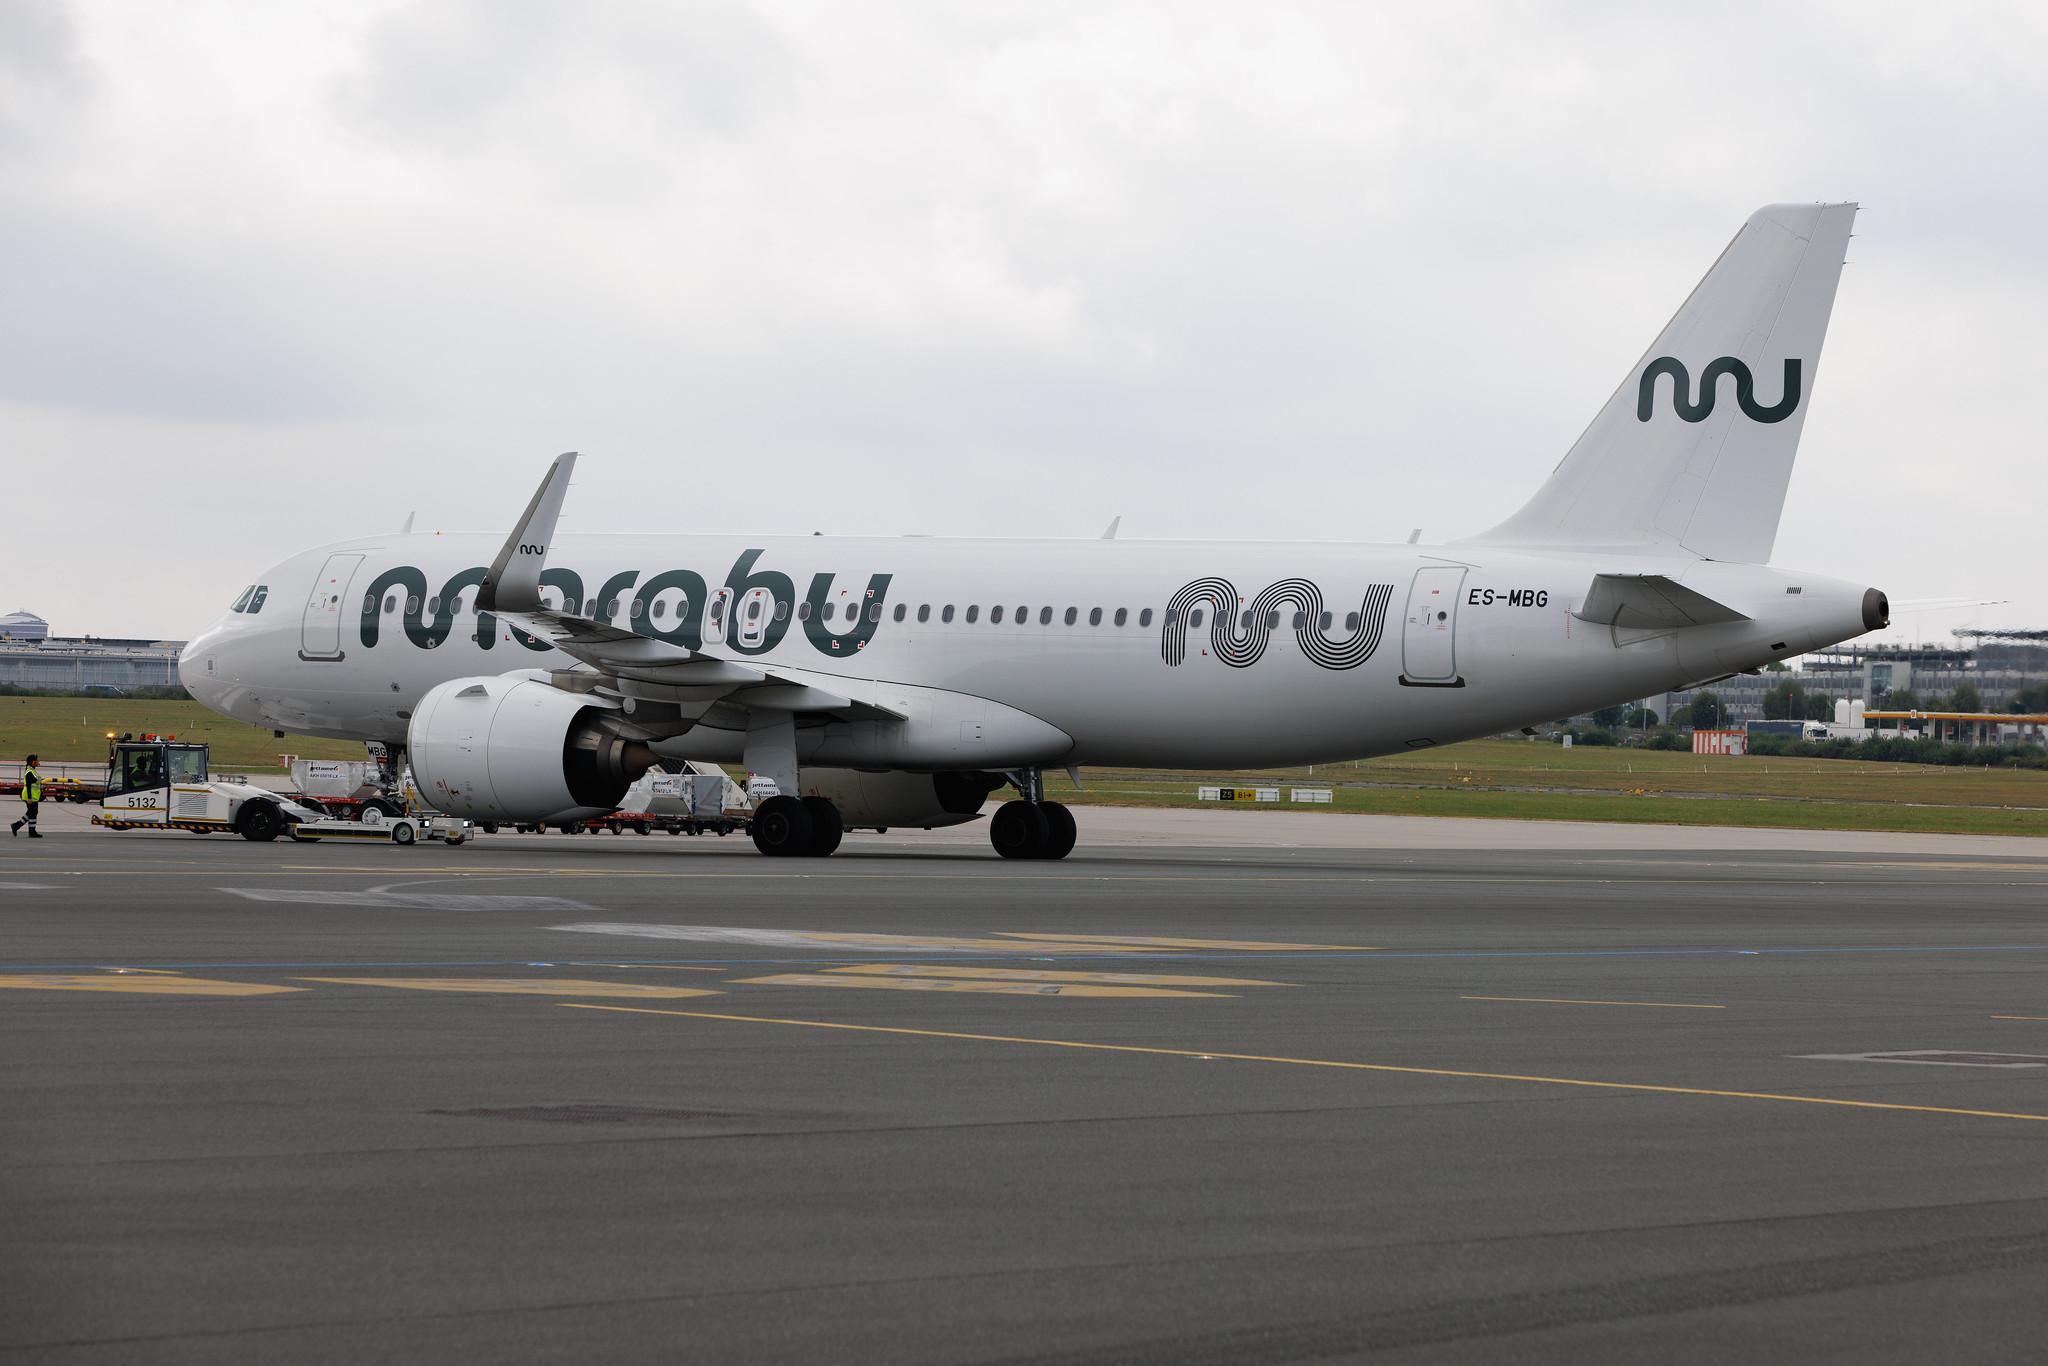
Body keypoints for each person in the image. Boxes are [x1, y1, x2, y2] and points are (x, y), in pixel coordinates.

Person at [11, 753, 43, 838]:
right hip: (30, 796)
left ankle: (31, 831)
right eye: (37, 760)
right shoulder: (30, 772)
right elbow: (29, 786)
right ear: (33, 762)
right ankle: (17, 826)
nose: (38, 761)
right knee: (32, 812)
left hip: (34, 796)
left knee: (33, 813)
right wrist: (29, 798)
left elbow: (36, 783)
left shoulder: (32, 770)